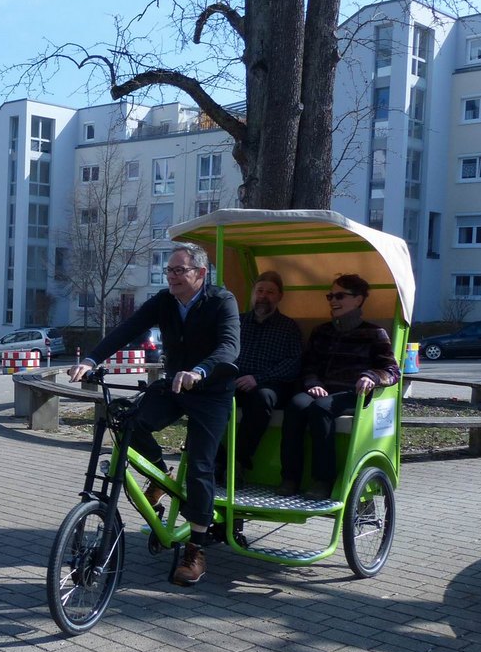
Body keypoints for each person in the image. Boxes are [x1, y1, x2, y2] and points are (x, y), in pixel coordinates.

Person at [68, 242, 239, 586]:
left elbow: (229, 346)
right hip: (174, 385)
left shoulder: (221, 301)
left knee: (201, 466)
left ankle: (195, 549)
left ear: (200, 273)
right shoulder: (164, 301)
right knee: (127, 421)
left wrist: (200, 371)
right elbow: (127, 329)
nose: (171, 276)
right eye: (169, 270)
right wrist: (90, 359)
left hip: (210, 391)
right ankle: (161, 476)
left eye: (179, 270)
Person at [279, 274, 400, 499]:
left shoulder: (374, 333)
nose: (333, 300)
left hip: (353, 393)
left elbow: (392, 370)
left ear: (358, 299)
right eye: (331, 296)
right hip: (321, 390)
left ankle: (323, 480)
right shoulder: (322, 331)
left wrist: (371, 376)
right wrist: (313, 382)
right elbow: (309, 364)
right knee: (296, 405)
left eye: (340, 296)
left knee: (321, 408)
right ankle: (290, 478)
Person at [225, 271, 302, 481]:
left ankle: (239, 462)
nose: (263, 296)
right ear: (253, 294)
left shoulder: (288, 327)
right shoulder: (237, 322)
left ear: (279, 297)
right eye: (260, 291)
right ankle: (214, 459)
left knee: (262, 397)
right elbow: (224, 351)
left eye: (270, 292)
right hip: (235, 380)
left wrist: (258, 379)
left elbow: (293, 364)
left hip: (270, 384)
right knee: (210, 396)